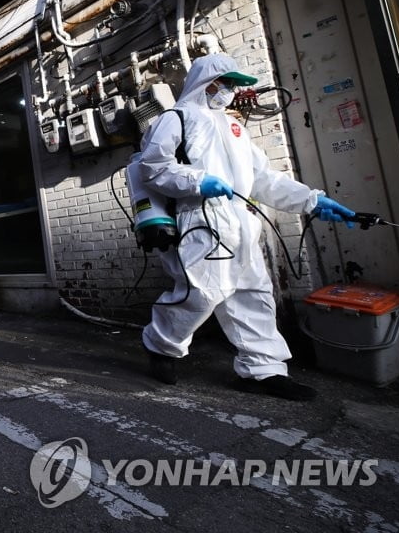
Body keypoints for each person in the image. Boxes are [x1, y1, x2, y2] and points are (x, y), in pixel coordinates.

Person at [136, 53, 355, 401]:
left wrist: (312, 200)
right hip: (202, 217)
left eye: (235, 85)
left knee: (255, 294)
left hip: (241, 218)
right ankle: (161, 346)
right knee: (201, 293)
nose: (230, 91)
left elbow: (262, 179)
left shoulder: (235, 128)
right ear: (205, 82)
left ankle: (263, 369)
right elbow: (153, 166)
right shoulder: (176, 118)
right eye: (225, 83)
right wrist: (198, 181)